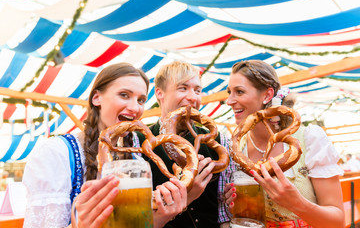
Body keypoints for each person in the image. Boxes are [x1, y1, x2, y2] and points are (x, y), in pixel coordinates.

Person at [22, 63, 187, 228]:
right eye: (124, 95)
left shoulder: (136, 160)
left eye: (141, 100)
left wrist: (159, 219)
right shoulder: (56, 153)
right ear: (96, 98)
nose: (134, 108)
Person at [222, 60, 345, 228]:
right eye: (229, 92)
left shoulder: (309, 139)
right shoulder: (237, 147)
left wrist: (298, 203)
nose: (229, 101)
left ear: (267, 95)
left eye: (239, 92)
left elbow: (337, 221)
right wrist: (236, 206)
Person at [136, 61, 231, 227]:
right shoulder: (138, 141)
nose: (193, 97)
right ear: (160, 93)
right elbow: (134, 215)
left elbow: (224, 213)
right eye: (183, 88)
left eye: (198, 90)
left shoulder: (218, 141)